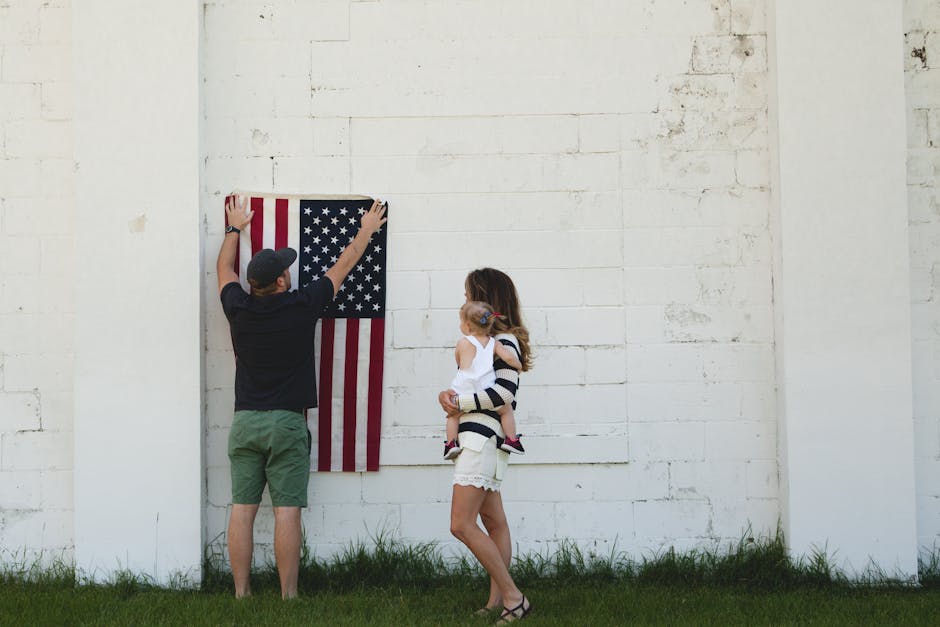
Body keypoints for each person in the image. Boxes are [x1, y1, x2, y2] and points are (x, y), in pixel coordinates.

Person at [217, 194, 387, 599]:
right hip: (286, 423)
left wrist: (233, 228)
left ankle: (241, 594)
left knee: (242, 508)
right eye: (286, 270)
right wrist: (365, 230)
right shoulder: (301, 305)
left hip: (245, 422)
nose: (290, 272)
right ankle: (288, 596)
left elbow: (224, 269)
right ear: (279, 282)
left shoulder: (237, 307)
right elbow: (343, 264)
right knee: (286, 509)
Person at [438, 268, 534, 622]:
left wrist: (458, 405)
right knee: (494, 522)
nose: (464, 303)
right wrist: (449, 396)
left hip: (481, 439)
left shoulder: (502, 342)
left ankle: (513, 597)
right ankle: (496, 603)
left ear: (483, 299)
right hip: (484, 439)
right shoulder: (485, 343)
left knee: (460, 524)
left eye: (468, 296)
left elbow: (504, 393)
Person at [443, 300, 525, 460]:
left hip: (463, 390)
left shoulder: (462, 343)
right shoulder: (495, 343)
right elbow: (508, 357)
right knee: (506, 410)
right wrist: (518, 365)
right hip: (485, 389)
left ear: (467, 326)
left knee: (453, 416)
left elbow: (460, 363)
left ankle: (451, 444)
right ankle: (512, 440)